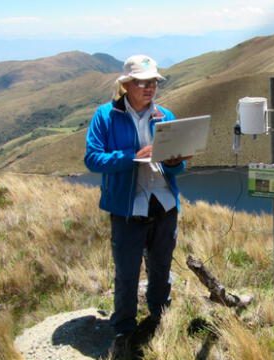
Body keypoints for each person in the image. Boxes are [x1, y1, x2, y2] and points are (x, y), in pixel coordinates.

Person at [84, 54, 191, 359]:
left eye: (153, 82)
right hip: (127, 209)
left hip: (164, 204)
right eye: (142, 82)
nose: (149, 88)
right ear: (126, 85)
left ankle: (159, 315)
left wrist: (174, 162)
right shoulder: (105, 116)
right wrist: (133, 155)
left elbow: (177, 168)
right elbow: (93, 159)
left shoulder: (165, 114)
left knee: (162, 266)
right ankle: (124, 328)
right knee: (128, 272)